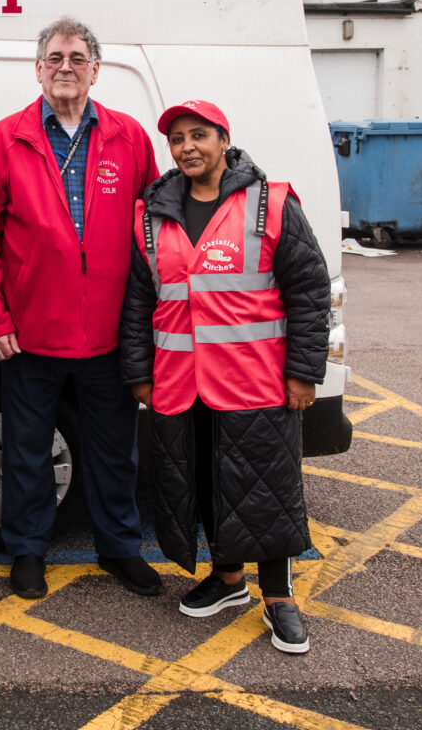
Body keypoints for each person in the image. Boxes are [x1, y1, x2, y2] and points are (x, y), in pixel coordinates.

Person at [119, 100, 328, 654]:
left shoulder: (272, 204)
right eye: (178, 139)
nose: (188, 147)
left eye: (199, 136)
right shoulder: (152, 213)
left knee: (267, 491)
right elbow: (140, 301)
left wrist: (305, 372)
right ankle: (229, 578)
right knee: (206, 484)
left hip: (255, 381)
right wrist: (140, 372)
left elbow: (309, 291)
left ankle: (279, 598)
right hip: (180, 383)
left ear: (224, 140)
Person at [0, 17, 160, 600]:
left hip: (109, 333)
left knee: (115, 452)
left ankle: (120, 548)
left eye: (77, 58)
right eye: (55, 57)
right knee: (26, 452)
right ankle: (28, 551)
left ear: (95, 71)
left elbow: (151, 227)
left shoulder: (129, 137)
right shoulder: (7, 139)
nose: (65, 67)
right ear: (38, 68)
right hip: (30, 335)